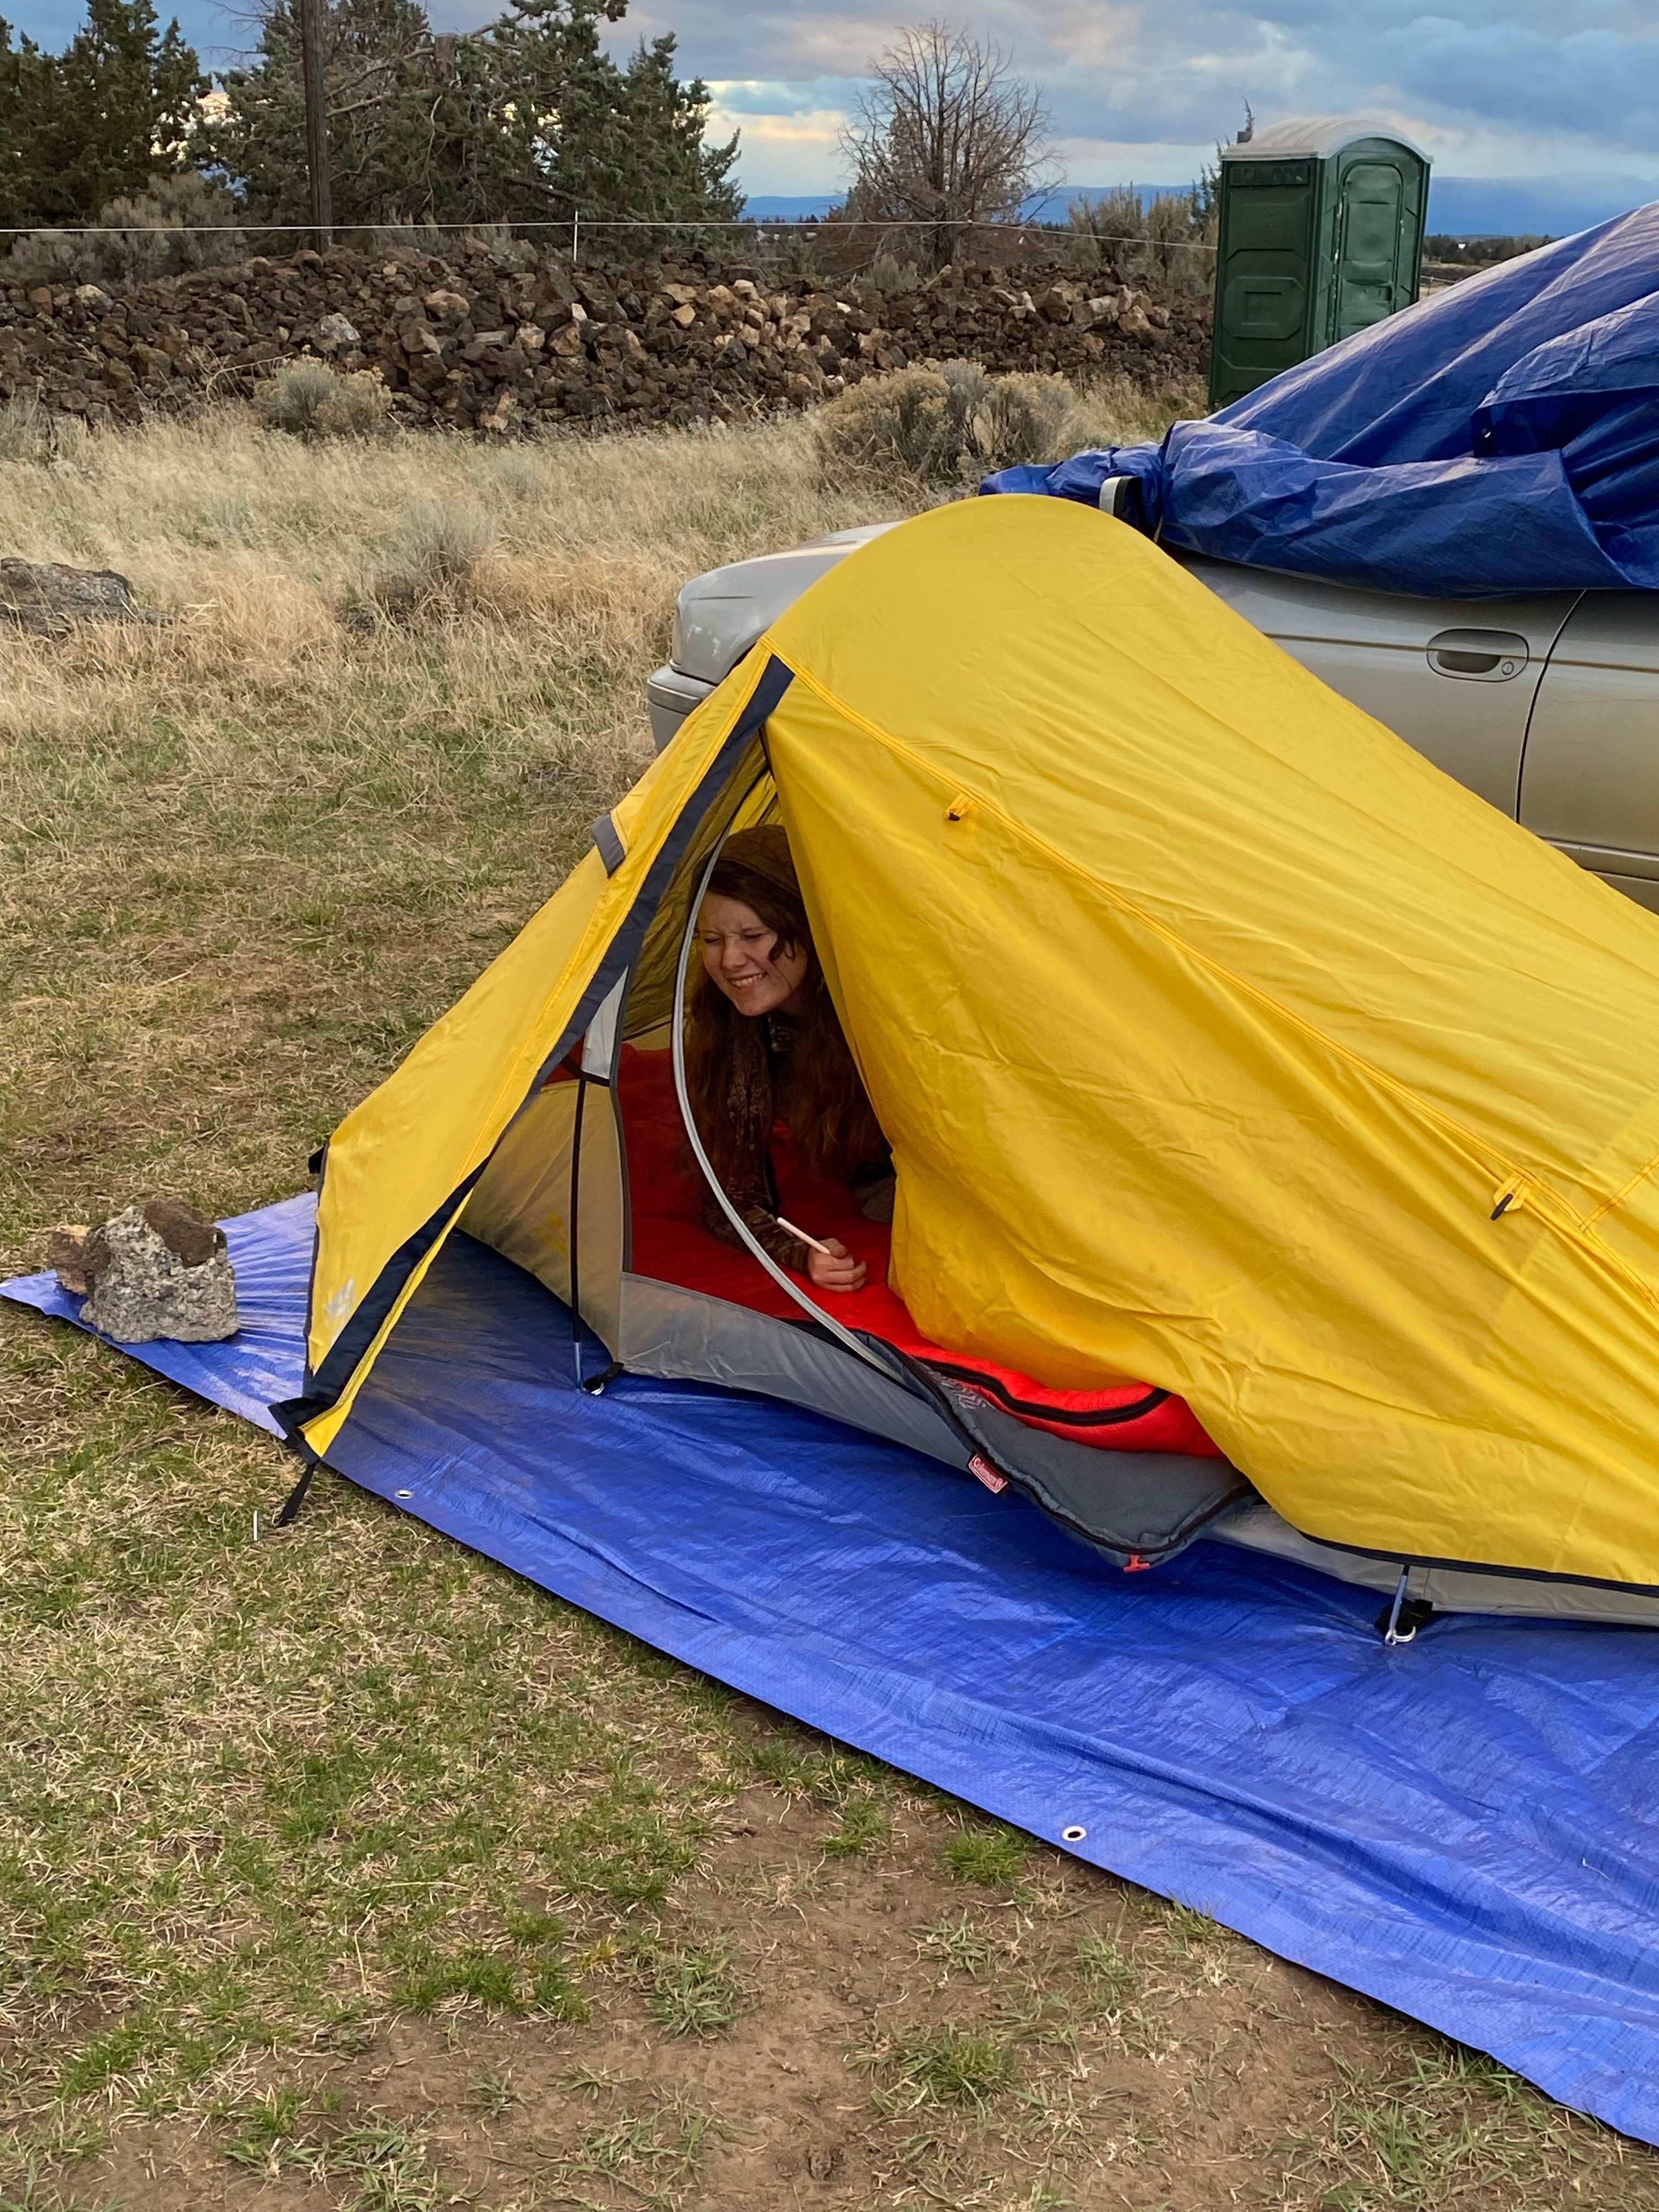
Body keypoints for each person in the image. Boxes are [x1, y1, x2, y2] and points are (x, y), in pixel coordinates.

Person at [683, 825, 893, 1294]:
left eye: (753, 935)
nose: (731, 960)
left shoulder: (871, 1002)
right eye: (711, 940)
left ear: (805, 924)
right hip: (874, 1189)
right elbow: (727, 1192)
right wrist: (797, 1252)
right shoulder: (730, 1021)